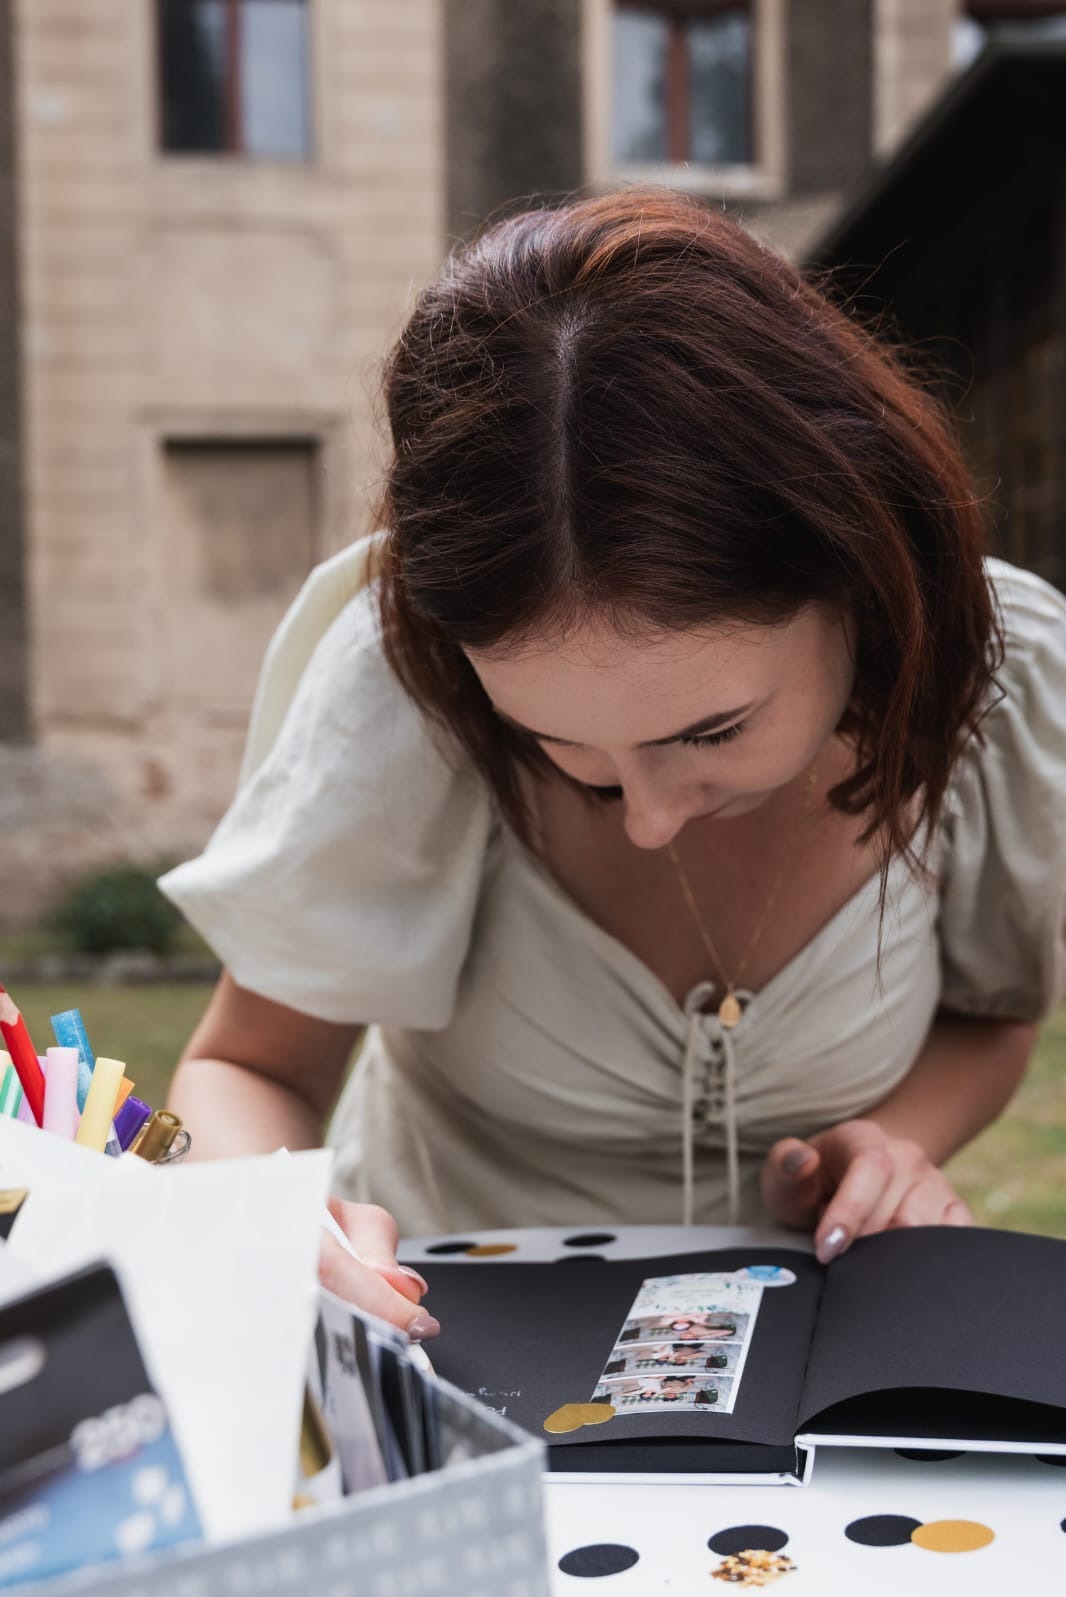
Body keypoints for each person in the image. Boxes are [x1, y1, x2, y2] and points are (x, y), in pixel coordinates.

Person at [160, 189, 1066, 1342]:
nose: (646, 817)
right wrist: (265, 1218)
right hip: (447, 1338)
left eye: (711, 731)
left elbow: (993, 1016)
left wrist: (896, 1140)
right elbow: (249, 1069)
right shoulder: (406, 677)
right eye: (560, 748)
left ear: (860, 575)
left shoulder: (1001, 672)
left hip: (816, 1349)